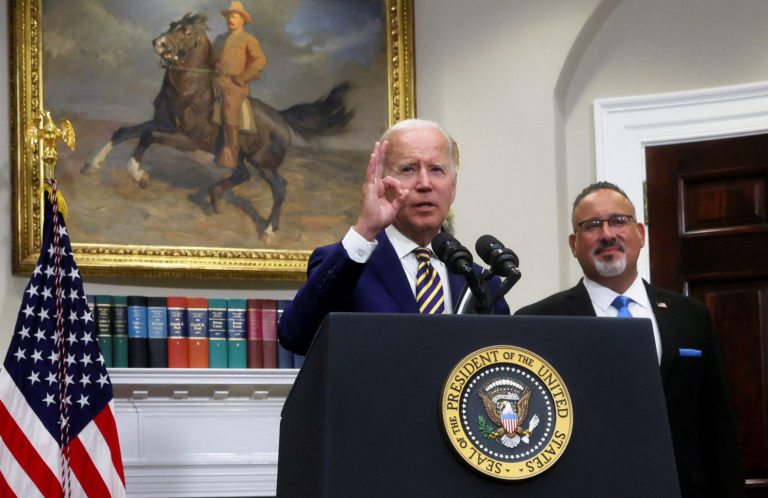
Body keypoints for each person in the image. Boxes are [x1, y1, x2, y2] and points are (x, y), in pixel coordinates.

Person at [516, 181, 744, 497]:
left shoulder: (690, 316)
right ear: (574, 242)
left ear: (640, 233)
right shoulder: (537, 322)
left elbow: (718, 427)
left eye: (618, 221)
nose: (607, 233)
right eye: (592, 225)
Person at [278, 119, 510, 355]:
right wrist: (365, 230)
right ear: (381, 182)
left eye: (436, 170)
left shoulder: (482, 282)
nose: (424, 183)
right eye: (408, 169)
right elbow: (296, 336)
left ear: (453, 187)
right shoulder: (347, 265)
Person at [214, 1, 267, 168]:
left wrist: (243, 78)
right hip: (216, 81)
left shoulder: (248, 39)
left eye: (235, 16)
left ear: (242, 20)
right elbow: (213, 59)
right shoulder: (220, 39)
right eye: (229, 16)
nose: (231, 20)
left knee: (229, 111)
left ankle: (231, 154)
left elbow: (260, 61)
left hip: (235, 86)